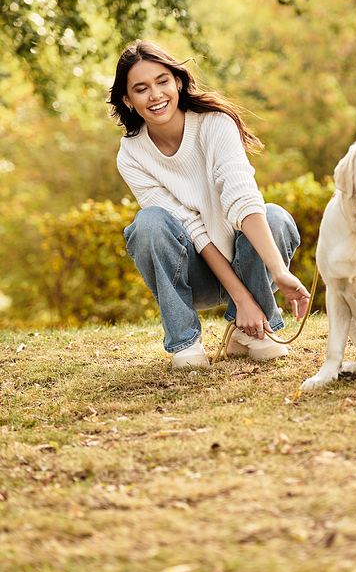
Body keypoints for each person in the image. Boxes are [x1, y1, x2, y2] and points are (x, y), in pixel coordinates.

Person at [108, 40, 310, 368]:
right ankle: (185, 342)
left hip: (249, 266)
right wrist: (241, 297)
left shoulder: (215, 124)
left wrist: (280, 272)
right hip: (194, 274)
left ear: (178, 81)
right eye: (141, 89)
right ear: (128, 101)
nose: (156, 95)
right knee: (148, 223)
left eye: (162, 81)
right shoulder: (131, 154)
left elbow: (242, 197)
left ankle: (247, 332)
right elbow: (192, 228)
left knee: (275, 216)